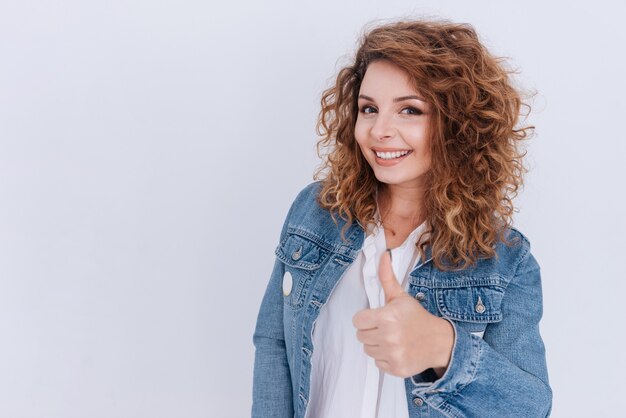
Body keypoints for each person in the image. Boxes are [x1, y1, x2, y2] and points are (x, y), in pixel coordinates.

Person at [252, 18, 552, 418]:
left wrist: (443, 347)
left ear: (457, 125)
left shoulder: (504, 259)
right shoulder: (316, 210)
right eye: (368, 109)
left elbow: (531, 407)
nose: (379, 130)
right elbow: (274, 343)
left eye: (410, 110)